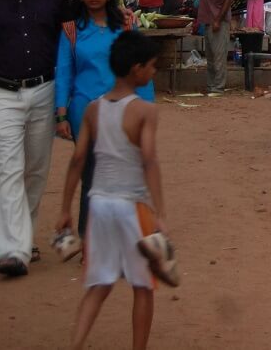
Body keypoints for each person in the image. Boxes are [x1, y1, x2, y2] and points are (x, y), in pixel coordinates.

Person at [56, 31, 168, 350]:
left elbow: (78, 160)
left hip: (99, 205)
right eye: (152, 66)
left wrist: (65, 208)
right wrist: (160, 212)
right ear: (137, 69)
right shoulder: (145, 111)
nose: (153, 72)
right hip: (133, 205)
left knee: (99, 284)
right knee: (143, 285)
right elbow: (148, 160)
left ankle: (75, 344)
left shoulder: (93, 109)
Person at [0, 0, 66, 276]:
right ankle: (13, 250)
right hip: (0, 93)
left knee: (35, 171)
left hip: (43, 90)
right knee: (10, 170)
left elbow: (74, 36)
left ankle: (25, 237)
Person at [55, 0, 154, 238]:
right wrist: (61, 115)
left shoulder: (124, 25)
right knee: (90, 174)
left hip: (125, 111)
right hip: (84, 112)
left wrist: (146, 106)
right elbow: (64, 73)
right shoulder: (71, 31)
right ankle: (90, 238)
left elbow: (140, 67)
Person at [190, 0, 232, 95]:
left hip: (218, 20)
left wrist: (218, 20)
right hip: (207, 18)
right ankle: (211, 86)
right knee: (210, 55)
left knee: (218, 55)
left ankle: (218, 87)